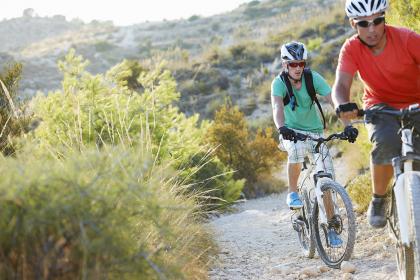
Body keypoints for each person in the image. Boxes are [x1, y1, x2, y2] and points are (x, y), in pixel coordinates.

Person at [332, 0, 420, 228]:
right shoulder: (351, 49)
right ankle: (379, 198)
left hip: (417, 102)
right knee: (384, 142)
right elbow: (341, 84)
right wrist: (342, 104)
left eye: (377, 21)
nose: (371, 29)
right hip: (381, 106)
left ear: (384, 17)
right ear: (353, 24)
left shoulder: (407, 39)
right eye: (363, 23)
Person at [271, 41, 358, 247]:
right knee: (297, 153)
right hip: (291, 132)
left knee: (326, 178)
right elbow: (277, 107)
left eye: (301, 63)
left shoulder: (312, 78)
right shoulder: (278, 83)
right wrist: (281, 128)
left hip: (315, 132)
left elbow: (333, 101)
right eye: (293, 64)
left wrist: (348, 124)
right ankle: (293, 192)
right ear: (285, 65)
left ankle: (330, 227)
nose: (298, 67)